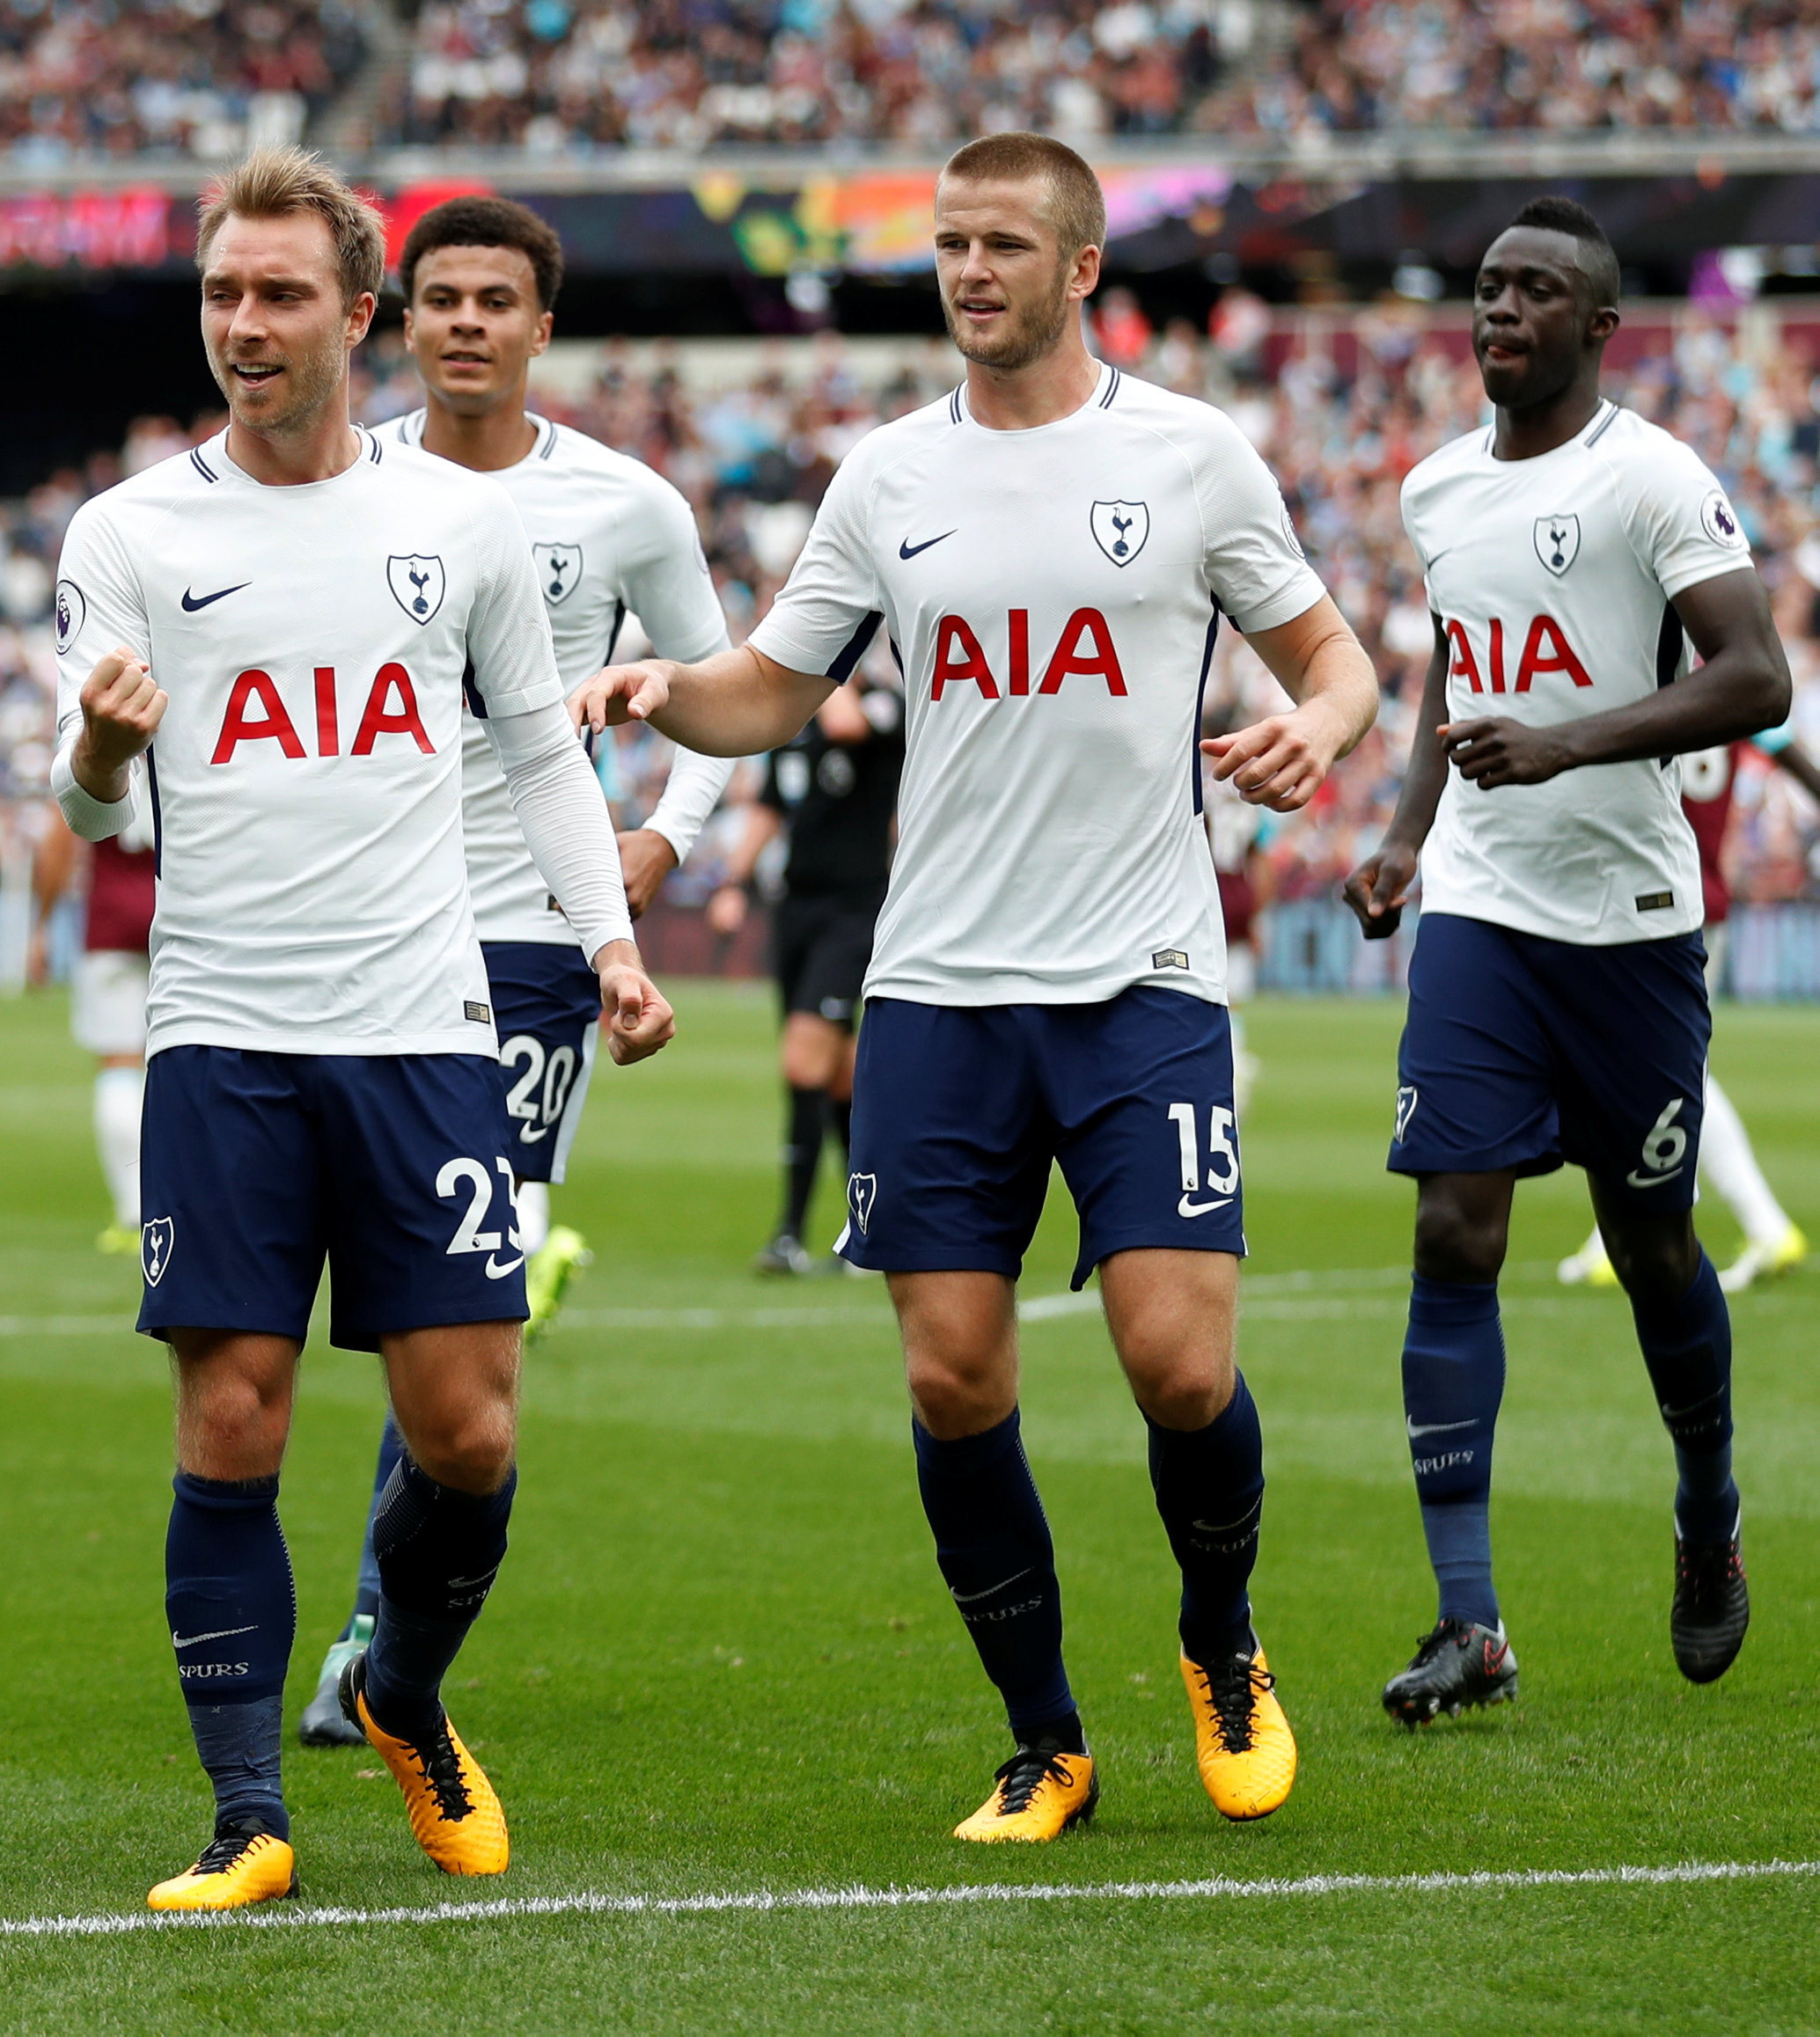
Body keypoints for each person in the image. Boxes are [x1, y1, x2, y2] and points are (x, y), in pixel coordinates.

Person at [573, 132, 1377, 1842]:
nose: (967, 269)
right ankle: (1045, 1738)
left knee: (1174, 1361)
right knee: (951, 1373)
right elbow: (771, 691)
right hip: (934, 986)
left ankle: (1221, 1639)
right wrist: (660, 689)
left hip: (1144, 970)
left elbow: (1335, 656)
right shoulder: (886, 479)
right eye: (949, 243)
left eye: (1003, 242)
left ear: (1083, 265)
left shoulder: (1190, 458)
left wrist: (1317, 723)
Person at [49, 149, 671, 1912]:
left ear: (357, 312)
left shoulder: (458, 531)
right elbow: (89, 808)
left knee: (468, 1426)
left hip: (426, 1029)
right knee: (229, 1418)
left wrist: (611, 948)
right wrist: (101, 745)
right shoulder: (131, 531)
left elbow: (543, 754)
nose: (243, 325)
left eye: (279, 295)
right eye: (220, 294)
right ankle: (245, 1810)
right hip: (226, 1034)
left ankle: (398, 1685)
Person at [292, 194, 738, 1750]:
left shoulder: (627, 506)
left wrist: (664, 847)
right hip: (358, 934)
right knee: (361, 1291)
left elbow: (718, 689)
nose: (467, 322)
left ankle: (372, 1639)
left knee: (456, 1290)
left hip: (538, 950)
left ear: (544, 328)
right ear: (398, 322)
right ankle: (378, 1632)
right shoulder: (338, 487)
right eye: (440, 299)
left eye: (497, 299)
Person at [1344, 199, 1793, 1725]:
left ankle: (1707, 1512)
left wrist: (1570, 743)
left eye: (1539, 292)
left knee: (1653, 1243)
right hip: (1482, 913)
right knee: (1455, 1232)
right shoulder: (1436, 487)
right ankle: (1470, 1624)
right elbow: (1454, 675)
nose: (1502, 312)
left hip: (1633, 932)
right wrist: (1410, 834)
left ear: (1601, 327)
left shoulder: (1654, 478)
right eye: (1487, 289)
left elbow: (1756, 673)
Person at [1554, 728, 1810, 1293]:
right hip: (1697, 892)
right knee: (1653, 1065)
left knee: (1665, 1069)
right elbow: (1784, 741)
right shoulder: (1728, 684)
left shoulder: (1654, 678)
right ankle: (1619, 1233)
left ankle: (1758, 1224)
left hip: (1656, 900)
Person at [718, 674, 904, 1277]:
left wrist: (832, 670)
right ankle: (873, 1230)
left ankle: (789, 1234)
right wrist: (734, 882)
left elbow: (849, 724)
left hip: (855, 910)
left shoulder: (877, 698)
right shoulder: (795, 714)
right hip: (797, 908)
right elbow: (772, 806)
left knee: (803, 1062)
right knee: (839, 1077)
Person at [31, 805, 158, 1253]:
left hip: (111, 921)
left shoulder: (104, 740)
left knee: (119, 1065)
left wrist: (40, 926)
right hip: (184, 924)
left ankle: (133, 1216)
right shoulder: (194, 742)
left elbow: (58, 842)